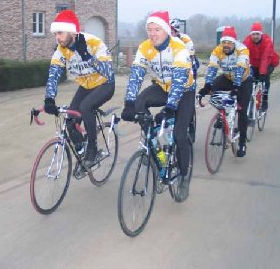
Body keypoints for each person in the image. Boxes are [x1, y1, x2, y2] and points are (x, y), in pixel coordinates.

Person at [121, 11, 195, 202]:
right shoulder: (145, 47)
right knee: (139, 104)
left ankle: (184, 177)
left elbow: (179, 82)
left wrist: (169, 108)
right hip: (162, 87)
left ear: (166, 30)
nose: (153, 34)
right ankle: (153, 146)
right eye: (149, 30)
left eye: (157, 29)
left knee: (179, 134)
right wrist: (129, 102)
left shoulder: (179, 47)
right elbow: (136, 75)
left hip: (184, 91)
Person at [44, 10, 115, 168]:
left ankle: (93, 150)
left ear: (71, 31)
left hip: (105, 84)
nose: (57, 37)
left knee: (86, 107)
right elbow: (53, 75)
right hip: (85, 86)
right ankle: (82, 152)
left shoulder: (94, 43)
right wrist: (49, 99)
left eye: (60, 33)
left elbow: (108, 71)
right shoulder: (61, 50)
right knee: (69, 120)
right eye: (55, 34)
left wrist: (87, 56)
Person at [198, 26, 252, 158]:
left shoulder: (242, 50)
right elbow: (212, 69)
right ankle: (223, 113)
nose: (226, 45)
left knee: (242, 111)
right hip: (227, 77)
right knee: (215, 85)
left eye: (229, 42)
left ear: (234, 42)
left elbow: (239, 70)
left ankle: (242, 143)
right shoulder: (217, 51)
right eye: (224, 42)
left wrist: (236, 87)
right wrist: (207, 86)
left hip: (243, 80)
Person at [243, 22, 280, 111]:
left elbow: (265, 57)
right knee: (250, 81)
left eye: (257, 34)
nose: (255, 36)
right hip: (254, 64)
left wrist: (262, 73)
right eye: (253, 34)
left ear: (261, 34)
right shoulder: (247, 42)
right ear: (251, 35)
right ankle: (251, 101)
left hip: (269, 62)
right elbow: (243, 56)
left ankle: (265, 99)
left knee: (265, 77)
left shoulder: (267, 42)